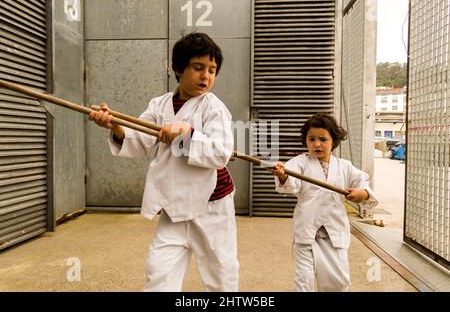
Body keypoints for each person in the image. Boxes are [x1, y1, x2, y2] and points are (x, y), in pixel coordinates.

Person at [89, 32, 238, 292]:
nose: (206, 76)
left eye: (212, 70)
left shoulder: (213, 108)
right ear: (178, 69)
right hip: (175, 206)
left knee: (221, 275)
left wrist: (186, 134)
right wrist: (115, 126)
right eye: (198, 67)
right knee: (159, 274)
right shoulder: (159, 105)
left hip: (212, 205)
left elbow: (221, 152)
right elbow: (138, 140)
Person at [268, 112, 378, 292]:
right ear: (305, 142)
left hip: (334, 231)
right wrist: (282, 175)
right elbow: (289, 182)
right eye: (311, 139)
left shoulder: (344, 166)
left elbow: (363, 182)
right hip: (306, 230)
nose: (317, 144)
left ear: (333, 141)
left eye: (323, 139)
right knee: (304, 281)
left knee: (337, 282)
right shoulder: (300, 162)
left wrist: (362, 193)